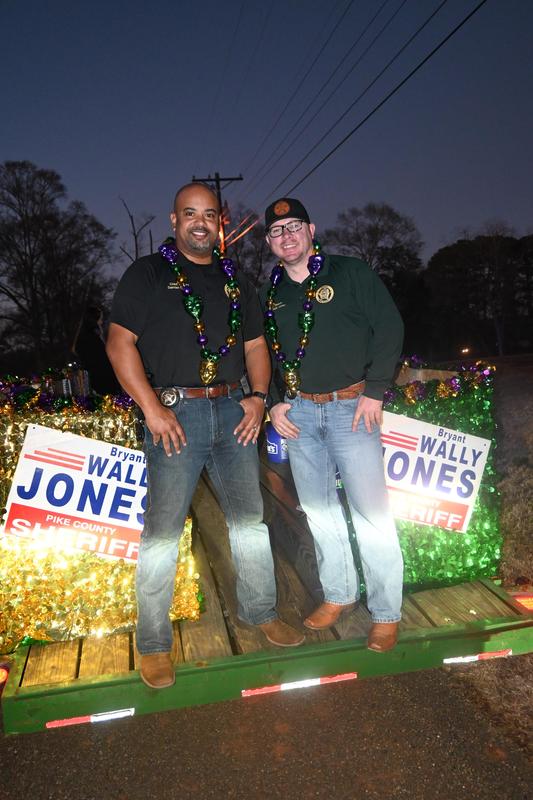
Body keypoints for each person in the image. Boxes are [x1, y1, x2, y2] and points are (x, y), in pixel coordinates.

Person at [106, 183, 304, 689]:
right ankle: (152, 643)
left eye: (209, 214)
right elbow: (118, 343)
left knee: (249, 523)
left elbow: (257, 343)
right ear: (173, 221)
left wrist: (259, 396)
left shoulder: (238, 279)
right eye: (189, 214)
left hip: (234, 410)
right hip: (175, 417)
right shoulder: (147, 274)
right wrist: (151, 409)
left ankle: (260, 613)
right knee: (162, 533)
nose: (200, 222)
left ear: (221, 222)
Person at [260, 197, 404, 653]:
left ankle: (386, 612)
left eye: (294, 226)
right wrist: (276, 403)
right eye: (278, 231)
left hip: (352, 408)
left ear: (311, 229)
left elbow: (390, 327)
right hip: (299, 414)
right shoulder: (272, 293)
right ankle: (339, 594)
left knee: (372, 516)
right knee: (321, 513)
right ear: (269, 242)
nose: (287, 236)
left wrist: (376, 390)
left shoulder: (350, 273)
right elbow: (268, 352)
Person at [72, 305, 121, 395]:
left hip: (93, 380)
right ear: (94, 320)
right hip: (102, 380)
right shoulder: (92, 338)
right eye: (100, 319)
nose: (101, 322)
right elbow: (102, 361)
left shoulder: (83, 337)